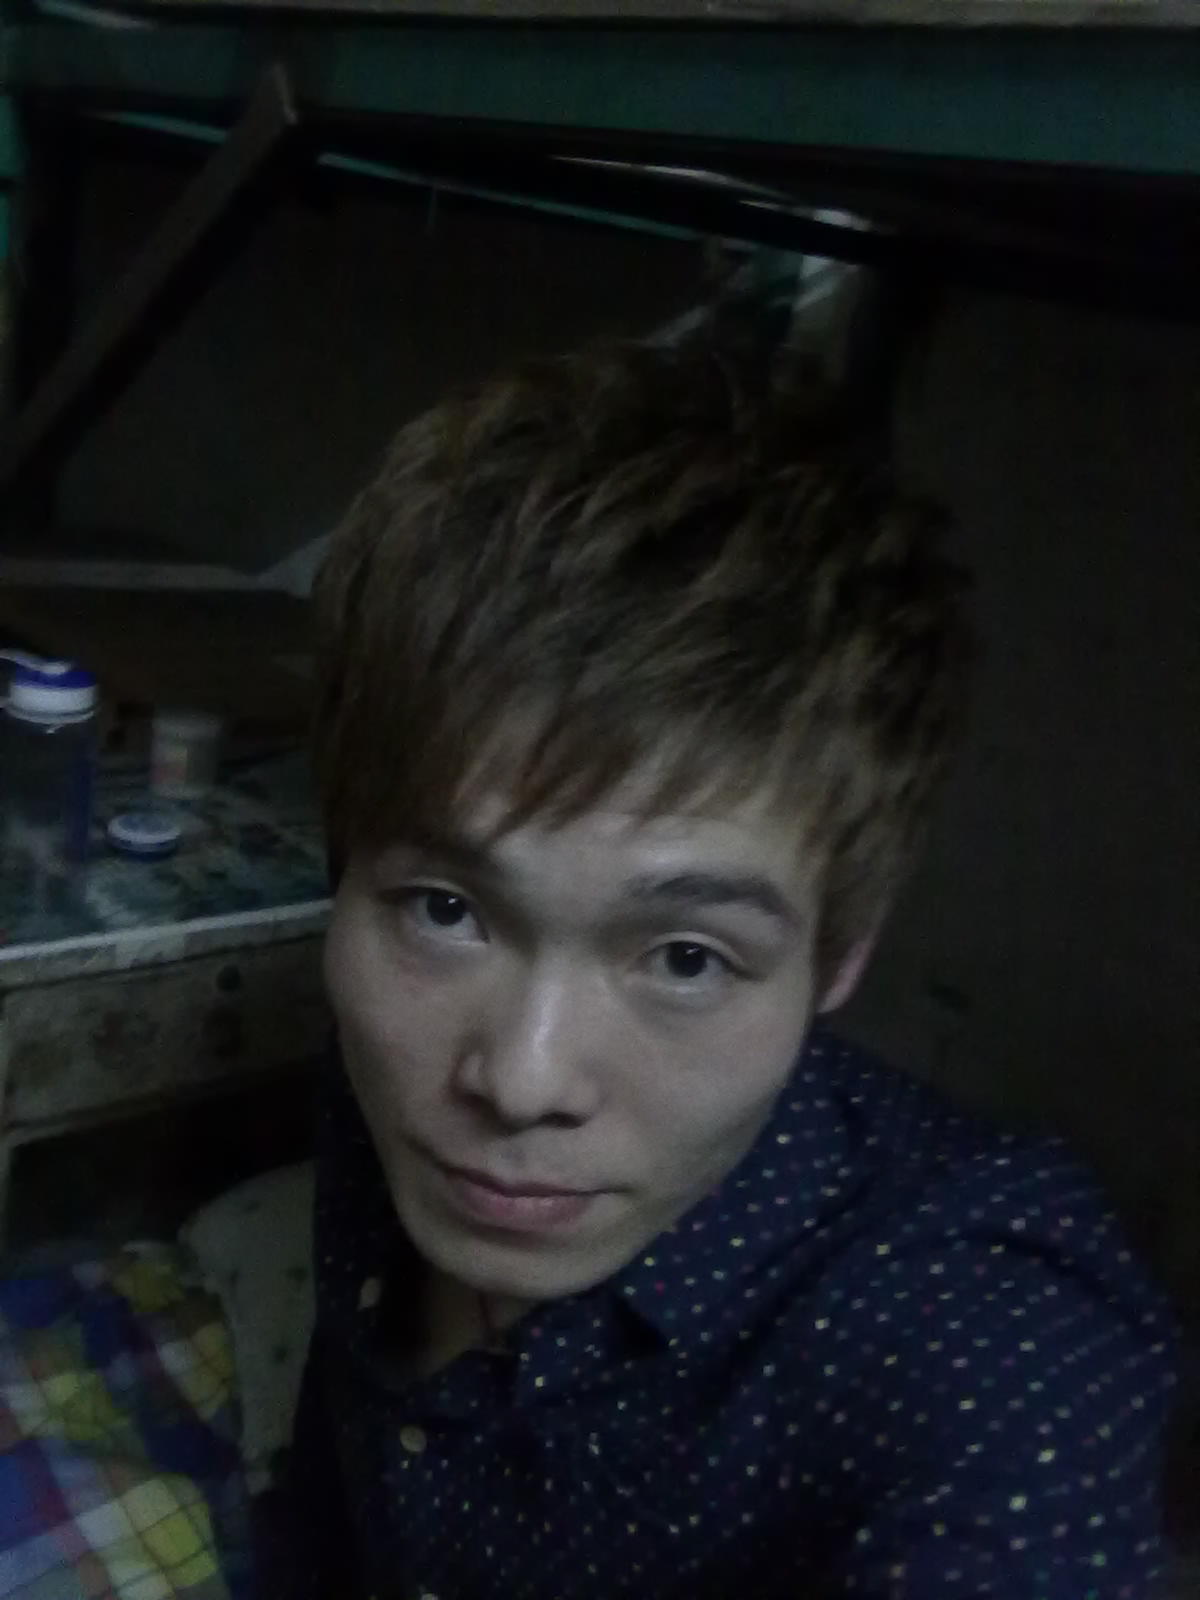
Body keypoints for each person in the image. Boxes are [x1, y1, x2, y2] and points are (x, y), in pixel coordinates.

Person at [287, 327, 1178, 1598]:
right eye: (447, 909)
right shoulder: (389, 1062)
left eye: (688, 958)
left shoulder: (980, 1335)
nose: (520, 1080)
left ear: (838, 957)